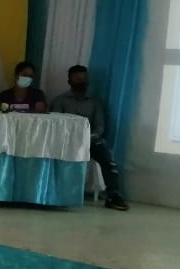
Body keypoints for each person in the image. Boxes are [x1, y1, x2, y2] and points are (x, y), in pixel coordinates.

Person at [50, 65, 129, 211]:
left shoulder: (95, 103)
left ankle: (113, 195)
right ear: (69, 81)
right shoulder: (59, 101)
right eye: (78, 79)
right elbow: (56, 124)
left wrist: (88, 138)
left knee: (108, 159)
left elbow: (99, 127)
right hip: (65, 142)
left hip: (89, 141)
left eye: (84, 79)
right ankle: (54, 193)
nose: (82, 82)